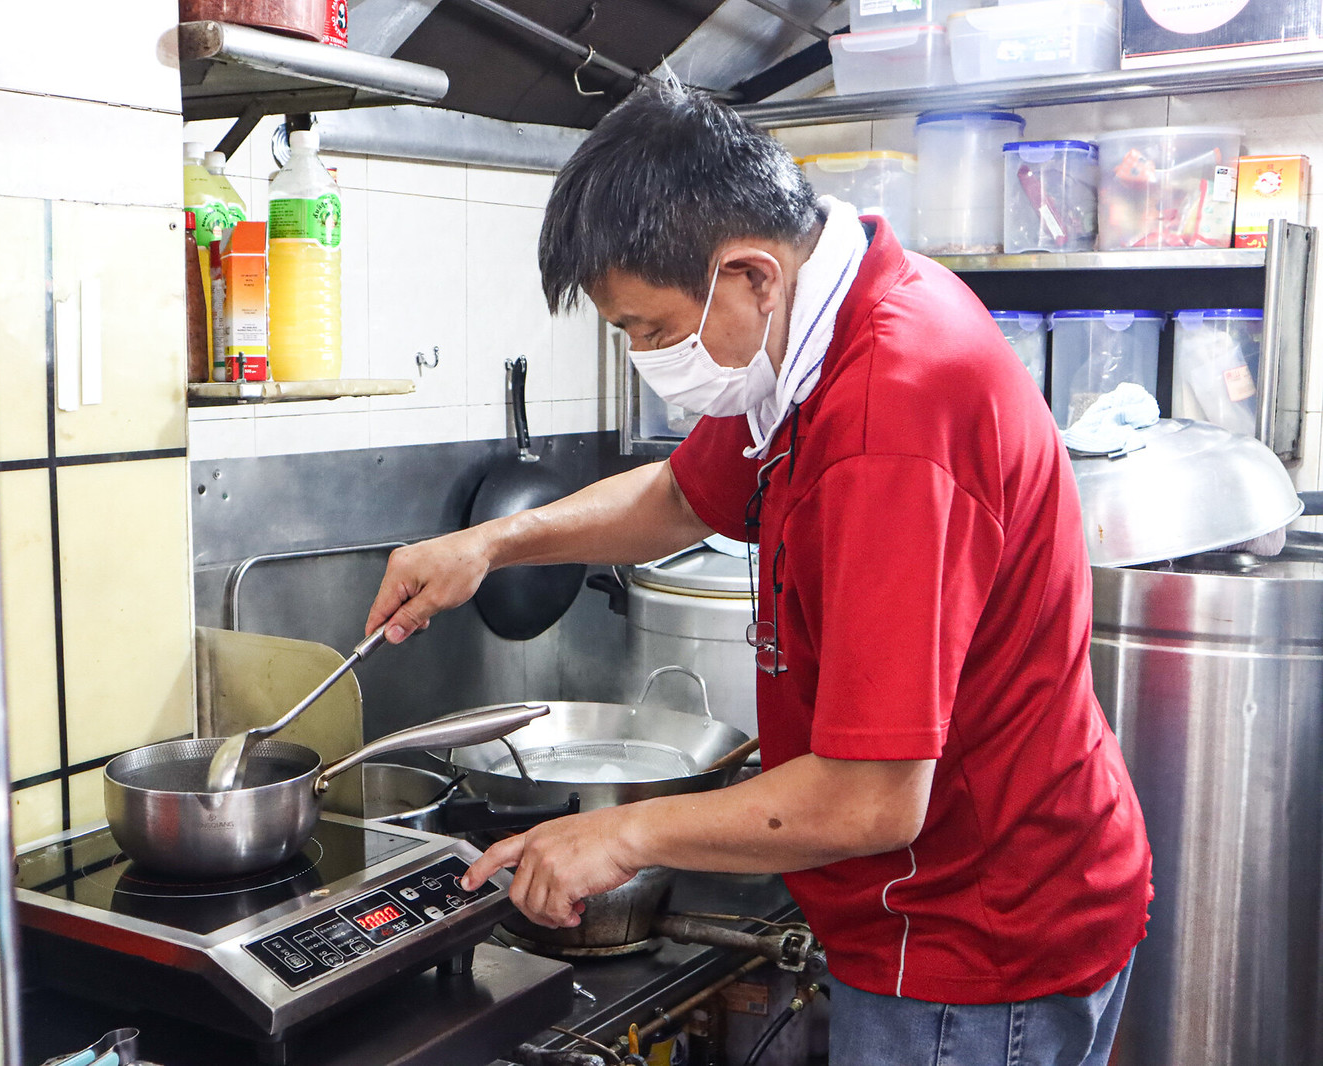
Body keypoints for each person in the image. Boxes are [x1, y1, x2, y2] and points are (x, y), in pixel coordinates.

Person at [365, 87, 1151, 1066]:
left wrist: (622, 835)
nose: (650, 356)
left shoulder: (889, 417)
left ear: (749, 274)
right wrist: (489, 545)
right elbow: (686, 497)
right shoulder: (827, 324)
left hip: (972, 936)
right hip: (963, 897)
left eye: (650, 329)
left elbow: (871, 799)